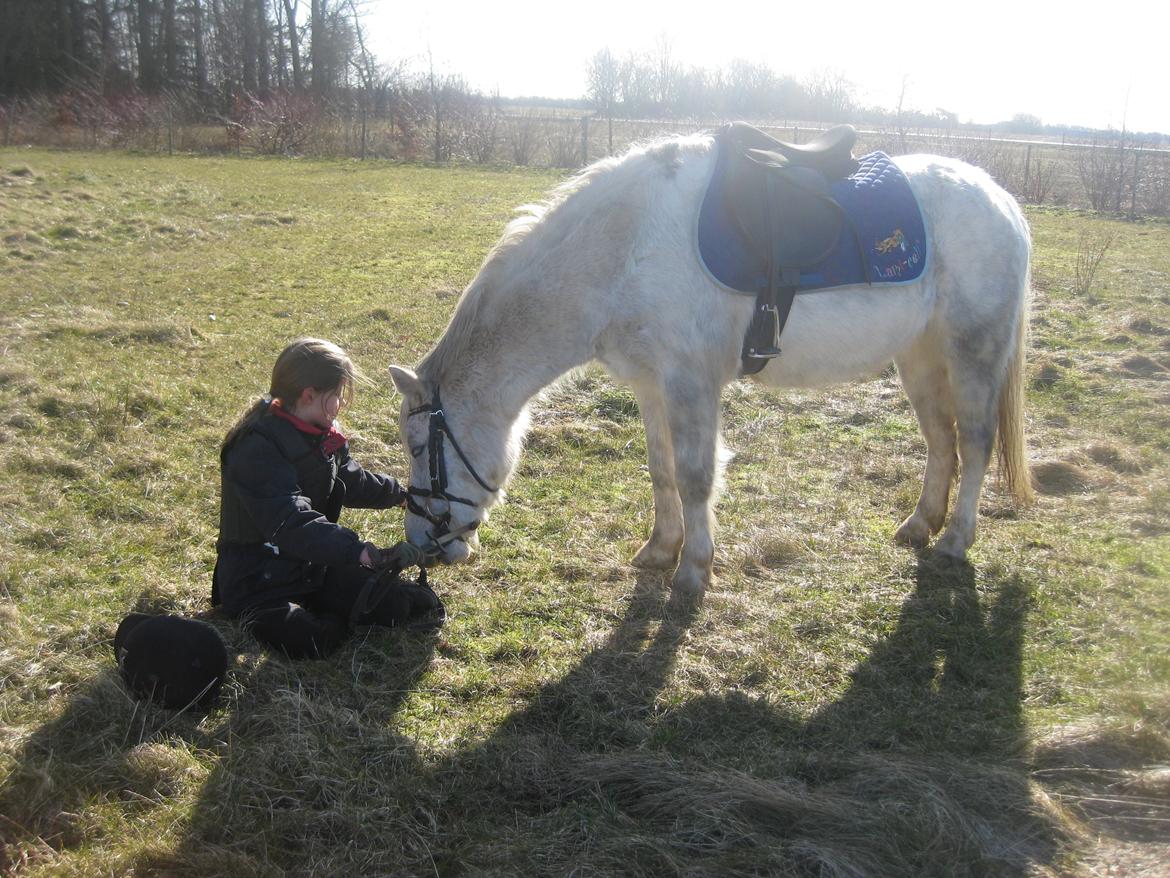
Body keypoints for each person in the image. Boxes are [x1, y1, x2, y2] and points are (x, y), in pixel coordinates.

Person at [212, 337, 439, 658]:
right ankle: (330, 613)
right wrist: (355, 551)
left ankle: (337, 605)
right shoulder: (255, 448)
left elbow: (351, 478)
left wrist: (401, 495)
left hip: (310, 566)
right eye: (337, 396)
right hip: (257, 581)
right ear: (309, 396)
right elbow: (290, 520)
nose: (342, 405)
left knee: (398, 607)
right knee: (313, 640)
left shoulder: (320, 432)